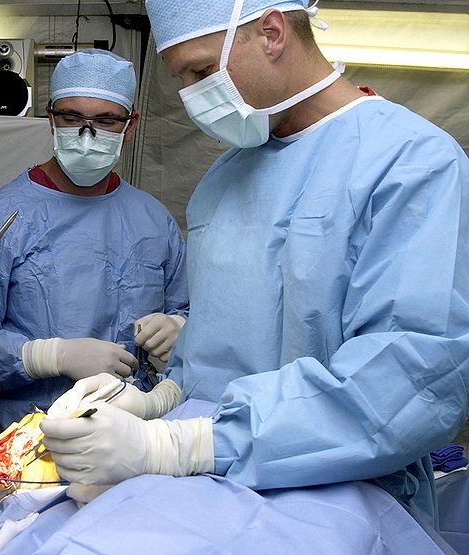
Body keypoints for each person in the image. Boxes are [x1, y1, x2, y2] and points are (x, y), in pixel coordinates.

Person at [40, 0, 469, 529]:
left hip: (342, 489)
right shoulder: (223, 180)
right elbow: (221, 339)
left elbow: (408, 381)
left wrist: (180, 443)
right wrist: (160, 401)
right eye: (182, 78)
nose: (192, 96)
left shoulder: (412, 163)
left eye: (201, 71)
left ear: (271, 32)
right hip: (207, 478)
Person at [0, 49, 189, 458]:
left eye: (106, 120)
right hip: (22, 452)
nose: (87, 134)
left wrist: (179, 330)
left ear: (130, 126)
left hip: (136, 445)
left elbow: (192, 318)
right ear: (50, 117)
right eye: (72, 118)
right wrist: (47, 356)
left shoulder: (153, 221)